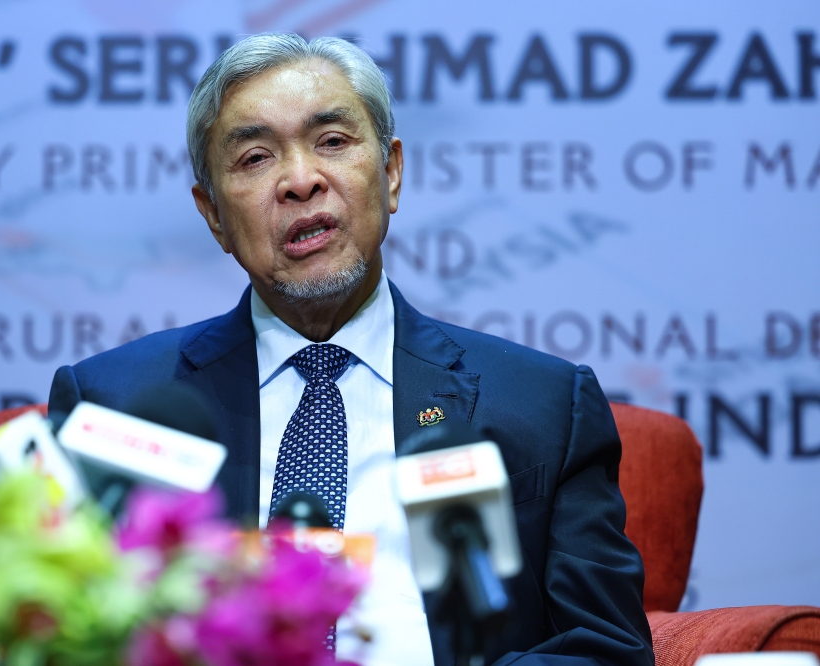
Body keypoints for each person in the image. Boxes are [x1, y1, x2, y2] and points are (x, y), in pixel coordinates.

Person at [48, 33, 654, 666]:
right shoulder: (114, 408)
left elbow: (605, 647)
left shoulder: (545, 406)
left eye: (332, 142)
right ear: (213, 216)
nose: (300, 180)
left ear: (391, 173)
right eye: (255, 158)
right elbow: (49, 635)